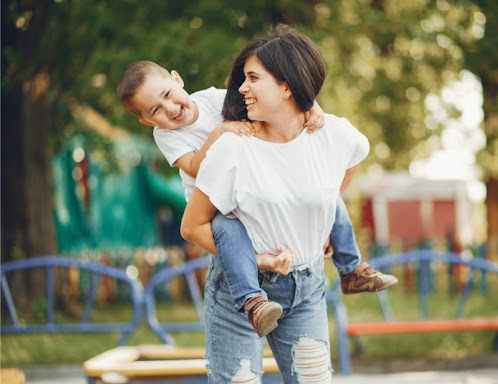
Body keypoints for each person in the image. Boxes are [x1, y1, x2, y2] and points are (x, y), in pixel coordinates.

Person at [117, 57, 396, 338]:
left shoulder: (214, 98)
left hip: (250, 187)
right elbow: (193, 167)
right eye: (156, 110)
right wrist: (218, 134)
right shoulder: (166, 136)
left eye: (167, 94)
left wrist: (311, 105)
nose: (170, 108)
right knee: (229, 230)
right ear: (146, 120)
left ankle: (351, 269)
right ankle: (253, 302)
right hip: (216, 205)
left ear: (177, 80)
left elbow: (267, 99)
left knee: (328, 195)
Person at [180, 25, 397, 383]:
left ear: (287, 85)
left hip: (307, 284)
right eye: (242, 79)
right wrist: (258, 259)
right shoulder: (233, 147)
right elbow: (192, 227)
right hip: (240, 290)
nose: (241, 88)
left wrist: (325, 216)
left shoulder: (333, 134)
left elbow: (352, 159)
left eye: (253, 78)